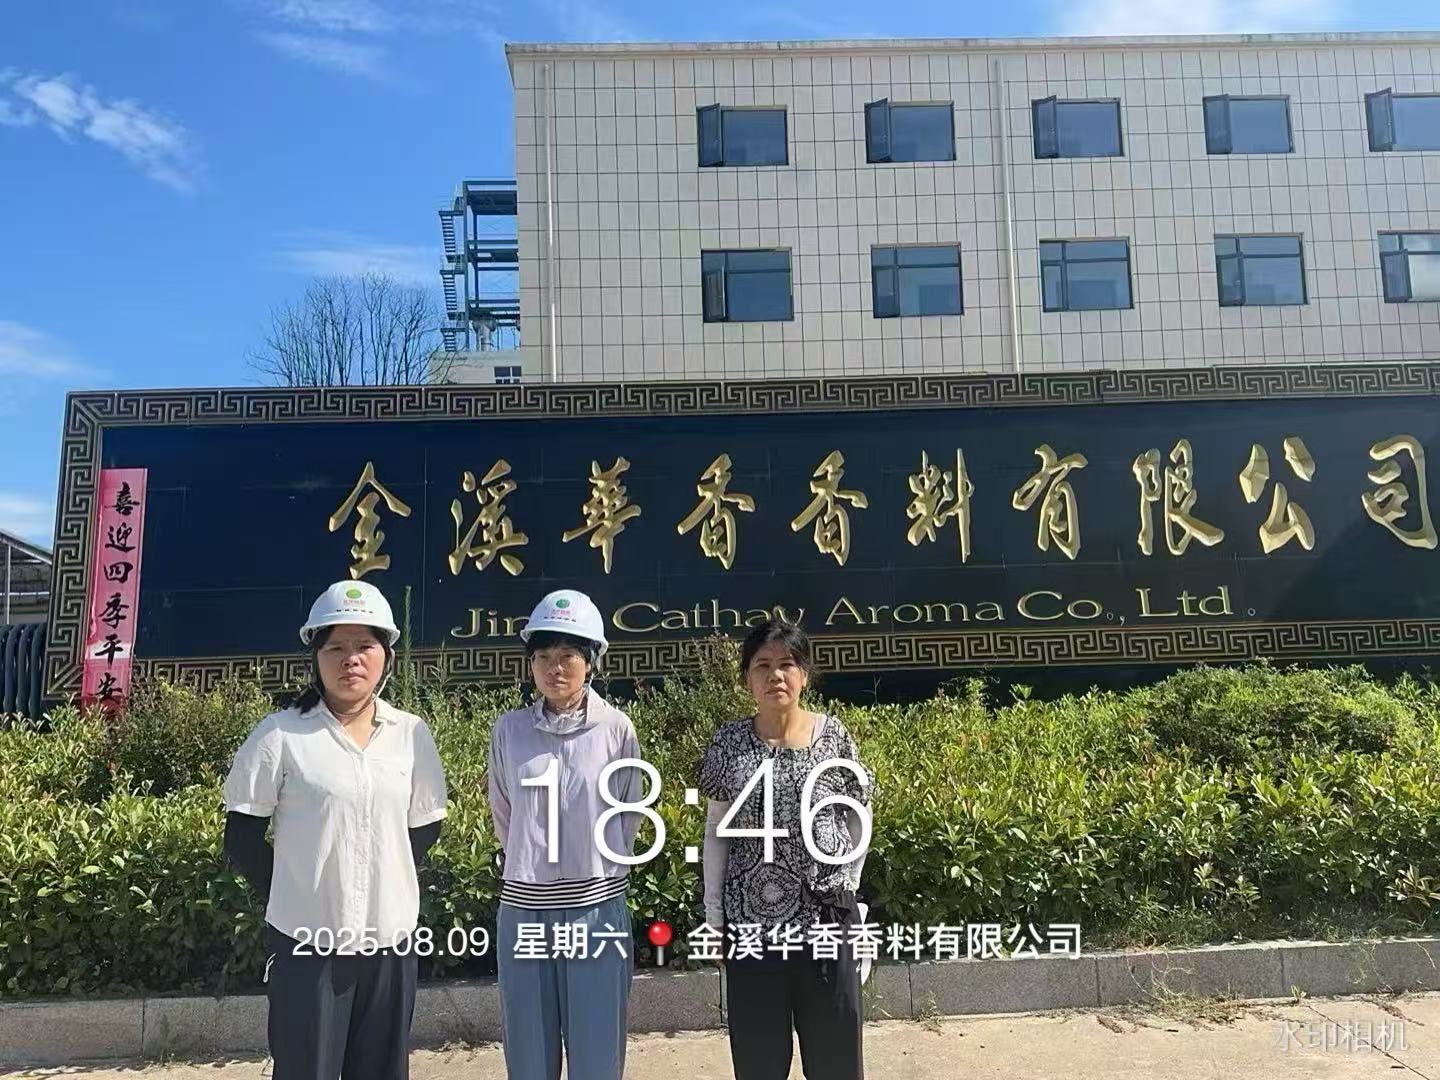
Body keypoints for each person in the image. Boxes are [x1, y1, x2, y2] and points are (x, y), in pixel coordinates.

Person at [223, 580, 449, 1080]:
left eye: (365, 646)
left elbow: (425, 826)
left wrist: (382, 876)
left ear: (387, 656)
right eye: (336, 648)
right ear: (316, 656)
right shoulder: (281, 734)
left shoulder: (411, 734)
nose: (351, 659)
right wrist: (299, 890)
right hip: (308, 947)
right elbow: (241, 838)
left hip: (390, 943)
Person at [699, 618, 874, 1080]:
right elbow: (716, 830)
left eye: (787, 664)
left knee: (836, 1059)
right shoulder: (730, 743)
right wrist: (714, 917)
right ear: (747, 677)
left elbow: (858, 815)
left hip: (826, 922)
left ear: (804, 675)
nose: (775, 675)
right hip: (751, 927)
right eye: (762, 665)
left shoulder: (833, 737)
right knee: (759, 1061)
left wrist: (849, 889)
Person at [487, 589, 643, 1080]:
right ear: (530, 664)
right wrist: (533, 863)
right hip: (524, 908)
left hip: (596, 908)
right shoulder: (509, 730)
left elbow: (629, 812)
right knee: (528, 1052)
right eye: (544, 657)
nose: (555, 668)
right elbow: (504, 813)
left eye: (569, 656)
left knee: (597, 1050)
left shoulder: (616, 729)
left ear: (591, 661)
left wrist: (593, 869)